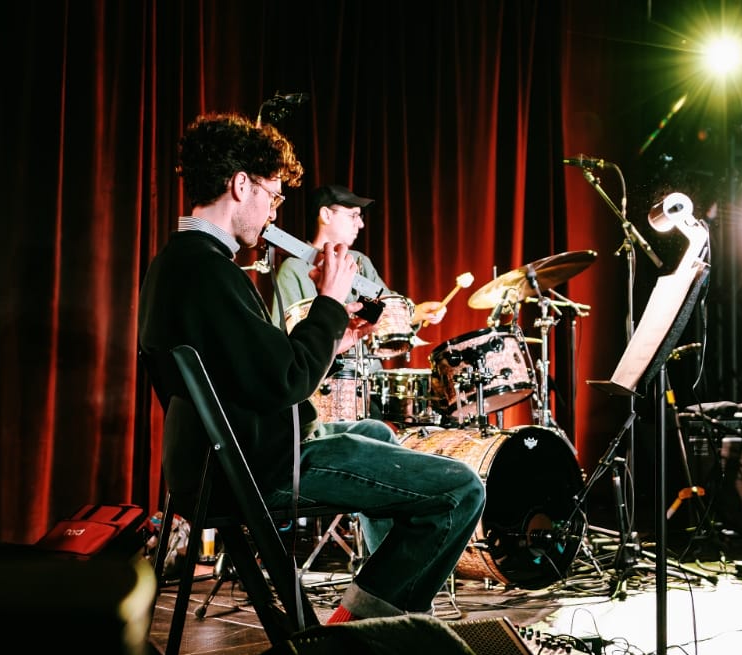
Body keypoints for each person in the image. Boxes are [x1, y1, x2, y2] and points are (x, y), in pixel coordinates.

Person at [139, 112, 485, 621]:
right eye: (273, 196)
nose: (273, 214)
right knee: (461, 488)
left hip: (228, 457)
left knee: (377, 432)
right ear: (240, 185)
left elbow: (261, 367)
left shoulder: (183, 263)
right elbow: (286, 381)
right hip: (259, 467)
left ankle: (382, 613)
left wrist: (333, 338)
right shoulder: (207, 271)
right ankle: (370, 630)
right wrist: (327, 299)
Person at [271, 183, 447, 349]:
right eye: (353, 215)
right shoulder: (293, 269)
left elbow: (388, 311)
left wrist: (416, 312)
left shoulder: (360, 262)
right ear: (326, 215)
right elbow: (286, 339)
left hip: (369, 374)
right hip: (325, 375)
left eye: (360, 217)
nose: (361, 224)